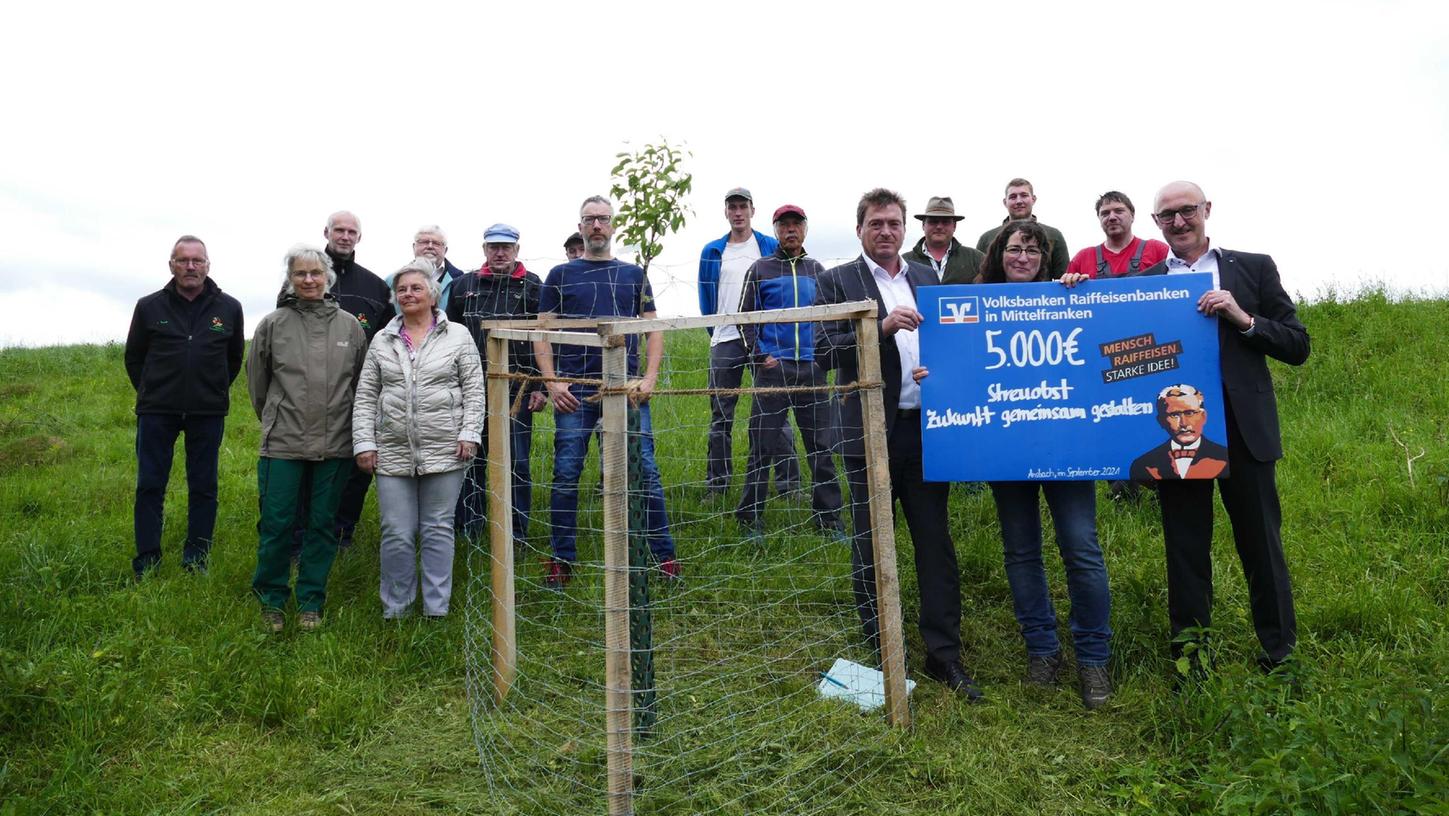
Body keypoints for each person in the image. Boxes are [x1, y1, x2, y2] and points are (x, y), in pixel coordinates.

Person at [1134, 180, 1309, 677]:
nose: (1179, 222)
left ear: (1207, 210)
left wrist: (1242, 317)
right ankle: (1192, 662)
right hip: (1178, 435)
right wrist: (1076, 288)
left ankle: (1280, 656)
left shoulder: (1253, 267)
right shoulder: (1145, 282)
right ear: (1156, 224)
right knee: (1186, 552)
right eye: (1167, 216)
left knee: (1262, 547)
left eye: (1187, 211)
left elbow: (1297, 344)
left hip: (1244, 431)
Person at [815, 188, 982, 702]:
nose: (886, 231)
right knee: (871, 541)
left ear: (905, 229)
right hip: (869, 428)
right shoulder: (837, 280)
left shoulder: (926, 277)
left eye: (893, 223)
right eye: (876, 223)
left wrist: (949, 371)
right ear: (860, 228)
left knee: (935, 542)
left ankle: (943, 654)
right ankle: (882, 646)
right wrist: (881, 329)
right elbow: (824, 351)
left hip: (927, 428)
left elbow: (954, 341)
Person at [941, 222, 1113, 709]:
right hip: (1007, 448)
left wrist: (1081, 290)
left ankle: (1093, 658)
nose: (1023, 256)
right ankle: (1042, 651)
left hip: (1069, 448)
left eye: (1033, 250)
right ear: (999, 254)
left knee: (1081, 549)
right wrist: (931, 372)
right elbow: (956, 368)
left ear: (1046, 256)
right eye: (1014, 248)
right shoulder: (975, 303)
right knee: (1021, 552)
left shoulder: (1066, 295)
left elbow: (1101, 343)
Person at [533, 196, 679, 589]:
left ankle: (663, 555)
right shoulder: (560, 275)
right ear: (580, 227)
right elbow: (541, 333)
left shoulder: (633, 275)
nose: (596, 225)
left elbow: (654, 329)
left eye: (603, 219)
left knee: (643, 470)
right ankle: (561, 559)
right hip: (574, 392)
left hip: (625, 389)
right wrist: (552, 382)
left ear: (613, 227)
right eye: (589, 220)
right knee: (566, 473)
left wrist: (648, 379)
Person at [353, 259, 484, 619]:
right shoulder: (383, 339)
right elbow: (366, 394)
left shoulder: (457, 335)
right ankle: (396, 609)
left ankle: (435, 609)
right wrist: (365, 442)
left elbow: (474, 389)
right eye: (402, 290)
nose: (408, 294)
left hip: (446, 446)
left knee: (438, 529)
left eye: (415, 288)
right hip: (393, 449)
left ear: (433, 294)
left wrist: (469, 432)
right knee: (396, 531)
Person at [247, 244, 366, 633]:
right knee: (277, 523)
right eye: (301, 274)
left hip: (336, 445)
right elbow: (258, 387)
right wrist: (280, 419)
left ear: (327, 276)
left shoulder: (350, 326)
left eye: (316, 273)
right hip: (282, 443)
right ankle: (272, 601)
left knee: (321, 525)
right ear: (290, 279)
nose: (309, 280)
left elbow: (361, 383)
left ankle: (311, 601)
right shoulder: (273, 324)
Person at [123, 236, 244, 578]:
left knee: (204, 486)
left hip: (207, 412)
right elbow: (135, 357)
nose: (190, 267)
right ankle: (148, 558)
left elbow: (233, 358)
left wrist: (213, 388)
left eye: (197, 261)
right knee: (150, 484)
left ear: (208, 265)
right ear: (171, 265)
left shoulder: (229, 308)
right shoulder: (149, 307)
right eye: (183, 260)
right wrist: (152, 391)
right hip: (157, 411)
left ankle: (197, 559)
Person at [735, 205, 845, 543]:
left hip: (812, 372)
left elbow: (831, 318)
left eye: (796, 224)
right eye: (784, 225)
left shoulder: (818, 271)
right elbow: (744, 319)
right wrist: (760, 357)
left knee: (821, 447)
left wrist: (821, 359)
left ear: (806, 229)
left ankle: (829, 521)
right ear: (776, 230)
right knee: (762, 447)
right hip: (774, 372)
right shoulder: (760, 269)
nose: (790, 230)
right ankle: (749, 520)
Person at [697, 187, 801, 498]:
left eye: (743, 206)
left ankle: (789, 485)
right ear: (726, 212)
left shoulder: (769, 246)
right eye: (733, 207)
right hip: (725, 338)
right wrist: (715, 329)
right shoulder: (713, 251)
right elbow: (707, 297)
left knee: (776, 411)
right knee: (721, 415)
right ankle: (717, 485)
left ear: (752, 211)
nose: (738, 212)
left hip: (765, 340)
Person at [446, 223, 545, 543]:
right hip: (470, 389)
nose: (499, 252)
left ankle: (516, 533)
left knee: (516, 461)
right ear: (484, 249)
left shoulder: (533, 287)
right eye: (493, 247)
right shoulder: (464, 286)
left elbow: (543, 340)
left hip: (517, 390)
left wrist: (541, 386)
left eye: (506, 247)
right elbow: (450, 339)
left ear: (517, 249)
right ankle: (470, 530)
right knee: (469, 456)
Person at [317, 211, 394, 549]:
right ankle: (305, 533)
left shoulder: (375, 287)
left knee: (356, 464)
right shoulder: (306, 276)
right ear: (327, 232)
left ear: (359, 237)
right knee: (312, 465)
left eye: (351, 231)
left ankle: (343, 531)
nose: (345, 236)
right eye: (339, 230)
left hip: (360, 393)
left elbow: (387, 341)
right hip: (312, 392)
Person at [1129, 384, 1229, 481]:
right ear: (1161, 421)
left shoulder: (1224, 457)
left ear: (1203, 416)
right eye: (1174, 415)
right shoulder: (1143, 464)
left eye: (1189, 413)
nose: (1183, 423)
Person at [975, 178, 1070, 280]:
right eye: (1013, 197)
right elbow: (980, 277)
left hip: (1040, 295)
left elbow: (1062, 278)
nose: (1019, 201)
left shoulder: (1054, 235)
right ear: (1005, 202)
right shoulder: (987, 238)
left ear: (1033, 199)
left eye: (1024, 195)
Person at [1066, 191, 1170, 279]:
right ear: (1099, 219)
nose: (1112, 217)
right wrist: (1069, 282)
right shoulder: (1082, 258)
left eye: (1119, 211)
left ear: (1132, 216)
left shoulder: (1157, 250)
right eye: (1105, 213)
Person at [903, 196, 985, 285]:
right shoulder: (904, 262)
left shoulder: (976, 259)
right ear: (923, 225)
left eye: (945, 222)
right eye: (933, 221)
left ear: (954, 226)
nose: (939, 226)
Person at [411, 225, 467, 311]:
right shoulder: (393, 280)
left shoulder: (460, 280)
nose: (430, 246)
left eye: (436, 243)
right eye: (424, 242)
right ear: (414, 247)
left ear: (445, 250)